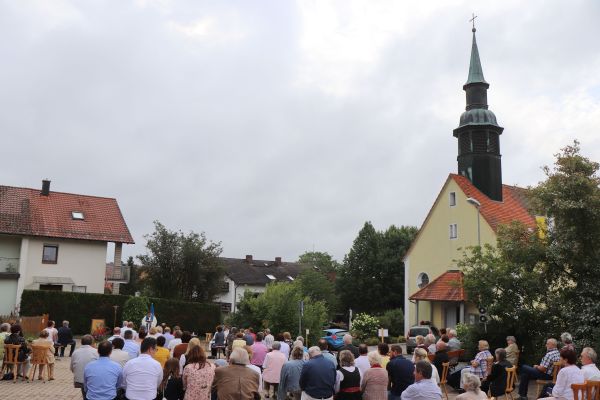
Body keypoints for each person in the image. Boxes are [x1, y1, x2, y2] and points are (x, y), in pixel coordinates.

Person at [71, 335, 98, 399]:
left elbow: (72, 369)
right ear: (92, 342)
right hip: (92, 380)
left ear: (81, 342)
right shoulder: (96, 352)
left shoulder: (75, 352)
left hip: (79, 380)